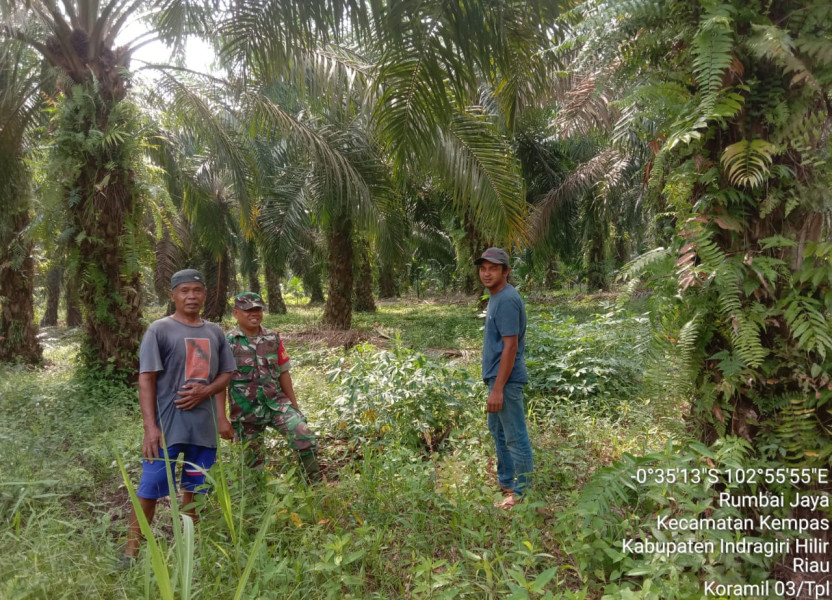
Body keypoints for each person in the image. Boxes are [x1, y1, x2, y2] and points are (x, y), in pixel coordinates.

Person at [124, 269, 236, 560]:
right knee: (149, 489)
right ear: (172, 295)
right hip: (167, 428)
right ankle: (131, 553)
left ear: (205, 294)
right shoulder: (159, 330)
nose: (191, 296)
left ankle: (187, 550)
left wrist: (206, 391)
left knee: (194, 489)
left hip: (203, 428)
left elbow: (226, 374)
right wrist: (150, 427)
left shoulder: (214, 332)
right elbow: (146, 379)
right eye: (184, 290)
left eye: (197, 290)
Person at [223, 292, 321, 482]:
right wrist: (222, 418)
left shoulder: (272, 338)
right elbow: (221, 382)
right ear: (236, 313)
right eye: (248, 310)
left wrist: (294, 406)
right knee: (252, 463)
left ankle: (313, 484)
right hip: (246, 412)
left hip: (277, 405)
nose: (254, 313)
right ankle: (257, 498)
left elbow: (284, 373)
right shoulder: (228, 342)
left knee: (302, 433)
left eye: (258, 309)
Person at [476, 247, 533, 509]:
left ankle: (523, 495)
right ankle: (507, 481)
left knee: (514, 436)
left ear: (506, 271)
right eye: (483, 268)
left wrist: (498, 388)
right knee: (497, 430)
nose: (487, 273)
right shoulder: (496, 297)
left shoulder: (508, 299)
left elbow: (510, 347)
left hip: (506, 380)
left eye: (493, 268)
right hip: (497, 379)